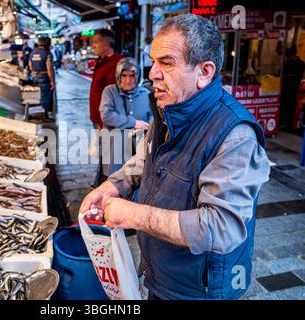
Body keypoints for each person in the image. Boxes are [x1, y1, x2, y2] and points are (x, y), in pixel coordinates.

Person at [80, 14, 271, 300]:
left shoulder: (236, 135)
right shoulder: (168, 106)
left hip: (198, 290)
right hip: (160, 274)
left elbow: (222, 227)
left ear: (204, 72)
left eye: (167, 63)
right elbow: (145, 158)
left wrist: (133, 214)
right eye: (154, 61)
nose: (152, 73)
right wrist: (114, 185)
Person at [99, 57, 152, 183]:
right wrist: (133, 123)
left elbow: (152, 116)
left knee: (136, 180)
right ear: (118, 76)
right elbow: (107, 115)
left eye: (132, 76)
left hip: (137, 148)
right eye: (124, 75)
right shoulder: (110, 91)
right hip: (115, 148)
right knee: (112, 181)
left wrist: (150, 125)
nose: (128, 80)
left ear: (138, 76)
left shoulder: (146, 93)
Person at [89, 29, 122, 129]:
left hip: (105, 121)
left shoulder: (116, 63)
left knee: (106, 144)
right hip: (97, 117)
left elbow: (114, 96)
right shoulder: (102, 61)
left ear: (106, 44)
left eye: (96, 42)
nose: (93, 46)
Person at [29, 36, 56, 120]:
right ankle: (44, 116)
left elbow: (30, 67)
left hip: (35, 77)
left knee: (38, 96)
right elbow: (49, 69)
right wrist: (52, 81)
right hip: (44, 78)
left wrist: (34, 74)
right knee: (45, 97)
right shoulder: (47, 53)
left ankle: (38, 115)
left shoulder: (32, 53)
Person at [280, 45, 305, 129]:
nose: (288, 58)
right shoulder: (286, 63)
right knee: (284, 105)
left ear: (293, 55)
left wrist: (289, 76)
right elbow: (283, 74)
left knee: (292, 107)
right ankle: (283, 123)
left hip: (294, 88)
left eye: (289, 56)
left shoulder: (300, 63)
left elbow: (297, 77)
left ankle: (290, 125)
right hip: (286, 88)